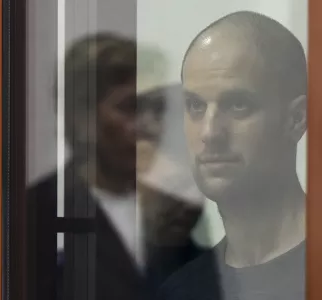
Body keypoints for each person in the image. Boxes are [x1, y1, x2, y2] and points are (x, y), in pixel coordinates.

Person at [27, 33, 203, 300]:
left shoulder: (172, 203)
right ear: (81, 117)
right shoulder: (34, 213)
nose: (150, 126)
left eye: (156, 109)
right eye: (130, 108)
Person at [158, 11, 307, 300]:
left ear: (296, 119)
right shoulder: (181, 292)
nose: (210, 133)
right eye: (195, 106)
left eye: (238, 105)